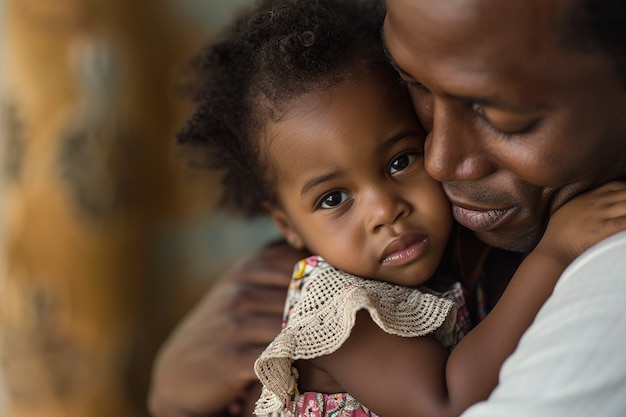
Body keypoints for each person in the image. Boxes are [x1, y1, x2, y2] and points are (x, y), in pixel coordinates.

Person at [148, 0, 626, 415]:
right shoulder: (340, 308)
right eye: (333, 199)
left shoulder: (454, 259)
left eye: (401, 161)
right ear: (286, 226)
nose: (384, 210)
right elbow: (446, 402)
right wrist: (557, 251)